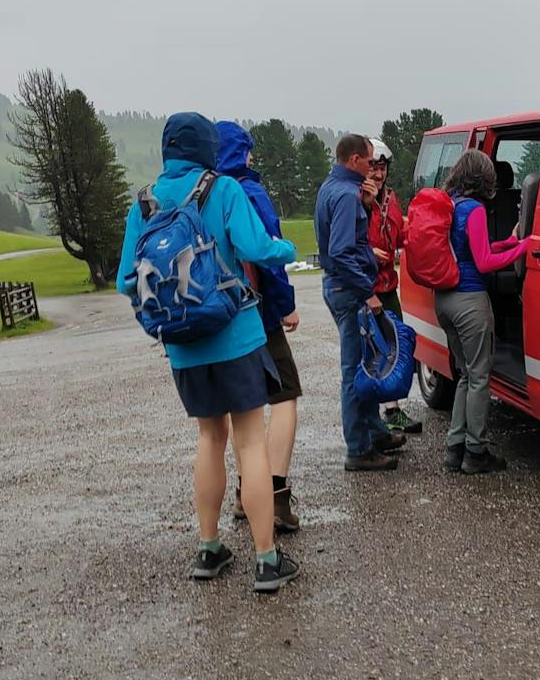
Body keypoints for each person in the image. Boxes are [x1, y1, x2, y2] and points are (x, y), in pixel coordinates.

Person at [116, 113, 301, 594]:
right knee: (251, 443)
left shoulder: (145, 202)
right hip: (236, 335)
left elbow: (124, 281)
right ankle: (266, 560)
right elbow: (257, 247)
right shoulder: (223, 189)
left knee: (209, 439)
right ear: (207, 149)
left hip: (183, 345)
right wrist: (287, 248)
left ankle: (209, 547)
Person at [216, 121, 303, 532]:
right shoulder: (247, 192)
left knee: (242, 409)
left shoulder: (205, 194)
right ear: (242, 152)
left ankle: (242, 491)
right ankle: (275, 494)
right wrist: (286, 306)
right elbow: (269, 254)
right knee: (285, 395)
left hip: (219, 316)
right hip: (259, 313)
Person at [315, 133, 406, 471]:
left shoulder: (334, 188)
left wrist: (367, 207)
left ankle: (375, 431)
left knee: (366, 363)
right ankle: (358, 448)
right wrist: (367, 292)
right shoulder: (345, 195)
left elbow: (346, 241)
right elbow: (340, 252)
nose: (373, 169)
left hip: (341, 288)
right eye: (369, 162)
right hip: (349, 292)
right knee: (354, 371)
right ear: (354, 160)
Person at [436, 149, 529, 475]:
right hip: (470, 302)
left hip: (445, 300)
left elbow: (477, 250)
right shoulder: (474, 209)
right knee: (479, 377)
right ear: (482, 177)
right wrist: (525, 248)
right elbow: (484, 263)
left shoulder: (453, 206)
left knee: (464, 373)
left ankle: (454, 448)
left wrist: (510, 242)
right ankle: (476, 452)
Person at [365, 138, 421, 435]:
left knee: (395, 348)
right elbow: (342, 242)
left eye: (382, 167)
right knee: (369, 351)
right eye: (373, 167)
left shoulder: (391, 199)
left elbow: (399, 235)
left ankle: (392, 409)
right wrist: (366, 251)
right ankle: (369, 417)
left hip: (387, 284)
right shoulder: (355, 199)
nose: (377, 173)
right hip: (365, 287)